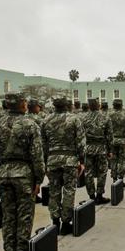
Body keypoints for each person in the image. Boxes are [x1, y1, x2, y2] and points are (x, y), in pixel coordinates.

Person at [0, 93, 44, 251]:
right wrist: (39, 178)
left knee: (8, 214)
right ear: (22, 105)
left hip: (4, 173)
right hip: (24, 174)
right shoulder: (30, 125)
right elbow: (37, 154)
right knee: (25, 214)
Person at [42, 97, 86, 235]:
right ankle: (66, 223)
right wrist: (81, 161)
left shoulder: (45, 120)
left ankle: (55, 222)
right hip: (70, 160)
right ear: (67, 106)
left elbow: (43, 144)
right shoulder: (74, 120)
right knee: (69, 191)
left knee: (54, 191)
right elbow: (80, 142)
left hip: (52, 160)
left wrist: (45, 161)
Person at [80, 98, 113, 204]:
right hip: (101, 148)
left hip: (88, 148)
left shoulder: (83, 118)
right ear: (98, 106)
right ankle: (99, 195)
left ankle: (91, 196)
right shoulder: (105, 117)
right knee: (102, 172)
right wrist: (110, 150)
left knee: (88, 173)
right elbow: (109, 136)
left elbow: (80, 136)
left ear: (89, 106)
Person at [109, 99, 125, 184]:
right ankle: (120, 180)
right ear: (122, 105)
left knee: (113, 160)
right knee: (122, 161)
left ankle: (114, 179)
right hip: (123, 141)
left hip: (112, 140)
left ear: (113, 105)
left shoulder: (109, 115)